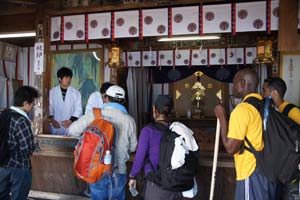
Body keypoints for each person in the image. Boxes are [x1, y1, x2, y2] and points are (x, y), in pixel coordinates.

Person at [214, 68, 278, 200]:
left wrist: (221, 117)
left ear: (242, 83)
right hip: (268, 170)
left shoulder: (243, 109)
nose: (233, 86)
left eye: (234, 82)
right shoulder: (264, 105)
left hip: (251, 172)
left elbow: (231, 148)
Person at [68, 85, 137, 200]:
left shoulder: (94, 115)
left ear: (106, 98)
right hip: (119, 169)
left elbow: (72, 130)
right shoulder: (129, 120)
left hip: (96, 168)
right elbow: (133, 147)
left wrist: (87, 138)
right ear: (123, 101)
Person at [128, 95, 184, 200]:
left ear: (155, 110)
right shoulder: (177, 130)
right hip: (176, 185)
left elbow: (139, 158)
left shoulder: (148, 131)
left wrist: (132, 176)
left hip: (156, 183)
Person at [0, 86, 40, 200]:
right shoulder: (21, 120)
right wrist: (34, 147)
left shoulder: (4, 113)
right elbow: (26, 148)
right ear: (25, 103)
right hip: (19, 166)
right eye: (32, 103)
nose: (32, 107)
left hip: (2, 165)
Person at [49, 67, 82, 135]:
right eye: (66, 78)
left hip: (71, 126)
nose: (68, 80)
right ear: (60, 79)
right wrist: (53, 121)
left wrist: (70, 121)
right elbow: (50, 107)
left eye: (70, 78)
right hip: (56, 125)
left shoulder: (76, 93)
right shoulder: (52, 92)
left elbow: (78, 110)